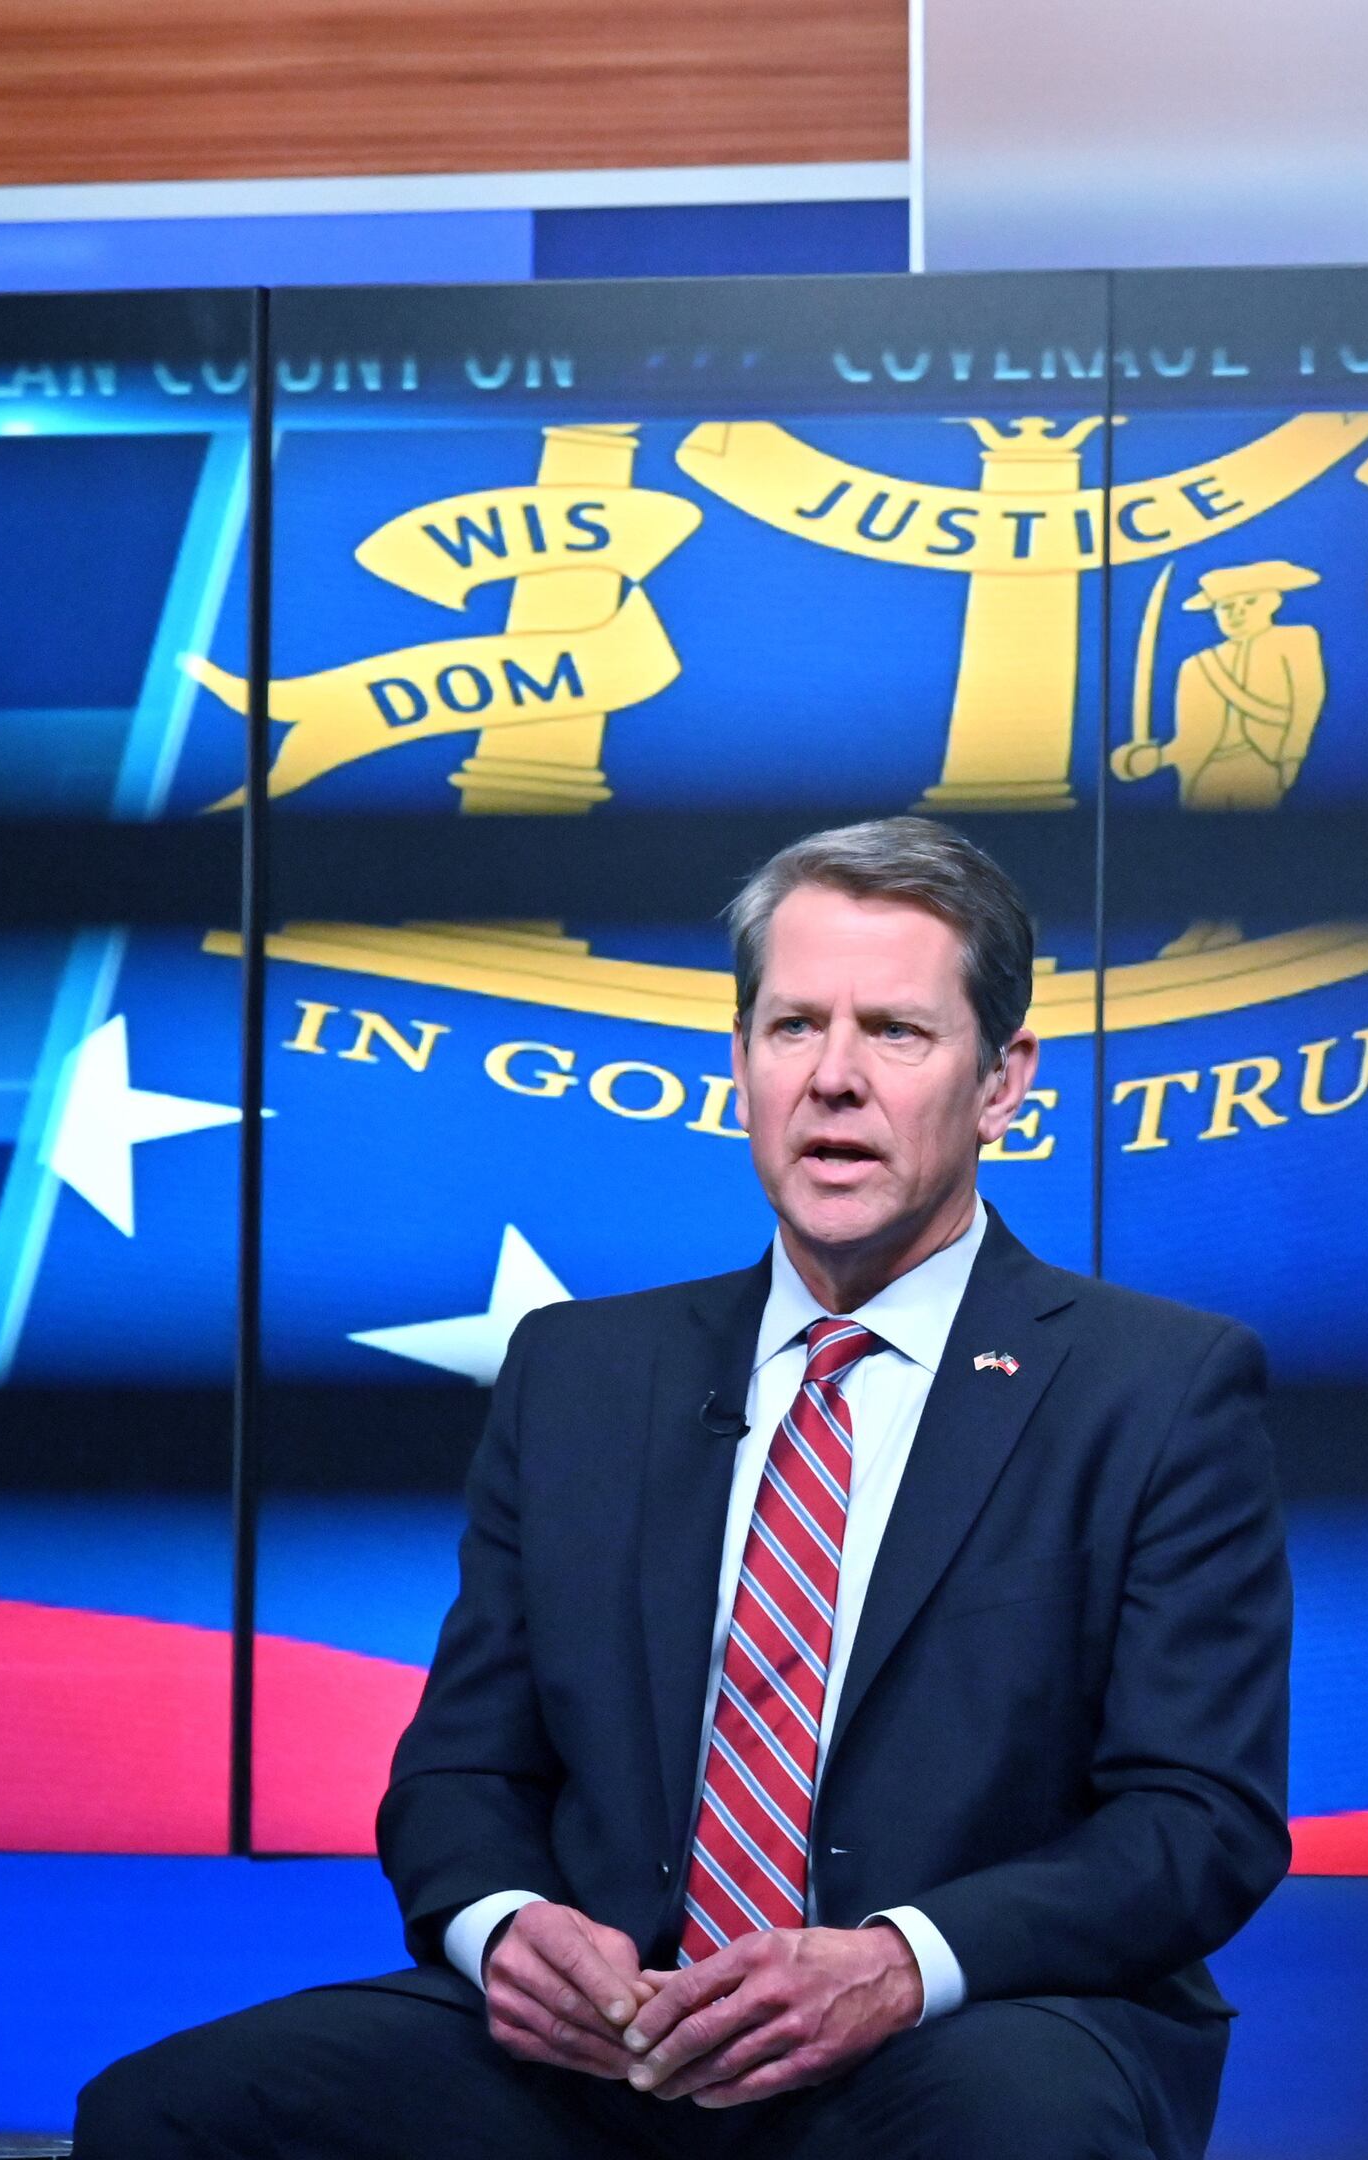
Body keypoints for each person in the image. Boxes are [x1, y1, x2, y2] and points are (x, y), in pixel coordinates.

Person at [80, 817, 1291, 2160]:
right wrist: (506, 1931)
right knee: (166, 2114)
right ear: (740, 1063)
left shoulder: (1155, 1384)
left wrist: (897, 1961)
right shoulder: (582, 1372)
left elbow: (1200, 1820)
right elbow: (461, 1770)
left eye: (895, 1031)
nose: (833, 1080)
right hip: (613, 2047)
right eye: (791, 1028)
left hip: (963, 2029)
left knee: (1019, 2129)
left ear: (1002, 1083)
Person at [1167, 561, 1327, 810]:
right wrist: (1157, 758)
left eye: (1250, 602)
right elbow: (1190, 736)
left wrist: (1292, 754)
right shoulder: (1197, 664)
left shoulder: (1297, 639)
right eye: (1226, 607)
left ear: (1273, 602)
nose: (1237, 613)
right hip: (1208, 770)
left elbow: (1309, 697)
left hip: (1263, 760)